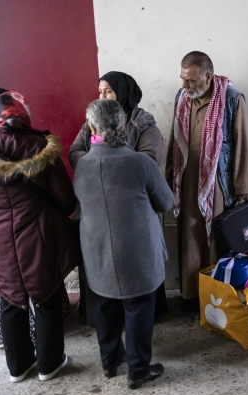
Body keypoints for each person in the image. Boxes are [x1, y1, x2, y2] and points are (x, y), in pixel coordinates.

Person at [0, 91, 80, 382]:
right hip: (38, 238)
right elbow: (66, 200)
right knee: (46, 298)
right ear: (24, 113)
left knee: (9, 299)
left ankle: (18, 367)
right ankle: (50, 364)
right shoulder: (41, 147)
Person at [73, 99, 173, 389]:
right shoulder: (140, 163)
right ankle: (138, 370)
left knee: (104, 307)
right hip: (137, 253)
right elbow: (166, 201)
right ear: (124, 126)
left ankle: (109, 363)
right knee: (139, 307)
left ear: (92, 127)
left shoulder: (82, 166)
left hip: (97, 251)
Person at [69, 71, 167, 323]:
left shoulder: (143, 124)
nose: (103, 96)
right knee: (103, 285)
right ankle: (129, 353)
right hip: (99, 211)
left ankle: (118, 352)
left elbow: (149, 160)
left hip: (133, 213)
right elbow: (76, 151)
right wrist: (98, 163)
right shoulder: (91, 122)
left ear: (123, 93)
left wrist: (114, 161)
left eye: (109, 91)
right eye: (100, 91)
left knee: (137, 285)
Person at [166, 51, 248, 310]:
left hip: (216, 183)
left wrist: (243, 187)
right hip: (186, 180)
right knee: (190, 238)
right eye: (183, 79)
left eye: (191, 81)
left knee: (215, 241)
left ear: (208, 76)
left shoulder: (231, 99)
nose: (185, 86)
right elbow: (175, 141)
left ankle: (217, 299)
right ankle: (193, 297)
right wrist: (170, 176)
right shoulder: (181, 98)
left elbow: (242, 145)